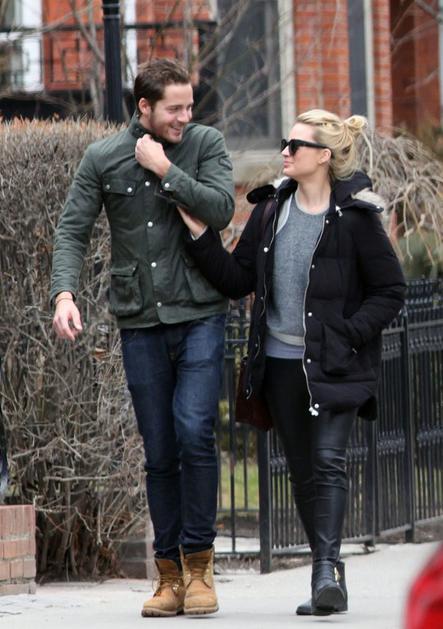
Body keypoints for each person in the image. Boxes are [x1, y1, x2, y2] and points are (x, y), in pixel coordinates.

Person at [178, 109, 406, 616]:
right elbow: (238, 279)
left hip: (336, 364)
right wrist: (200, 236)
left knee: (328, 461)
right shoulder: (269, 211)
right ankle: (330, 569)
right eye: (284, 142)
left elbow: (391, 290)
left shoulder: (356, 218)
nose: (285, 151)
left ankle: (324, 571)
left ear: (323, 156)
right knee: (303, 472)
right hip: (280, 365)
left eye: (295, 145)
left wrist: (348, 333)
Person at [51, 58, 235, 617]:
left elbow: (221, 209)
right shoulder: (104, 157)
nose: (185, 116)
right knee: (159, 450)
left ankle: (200, 567)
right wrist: (64, 294)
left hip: (200, 312)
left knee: (194, 431)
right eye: (174, 108)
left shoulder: (204, 145)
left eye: (189, 106)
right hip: (141, 321)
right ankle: (169, 576)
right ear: (145, 107)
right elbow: (73, 229)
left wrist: (165, 169)